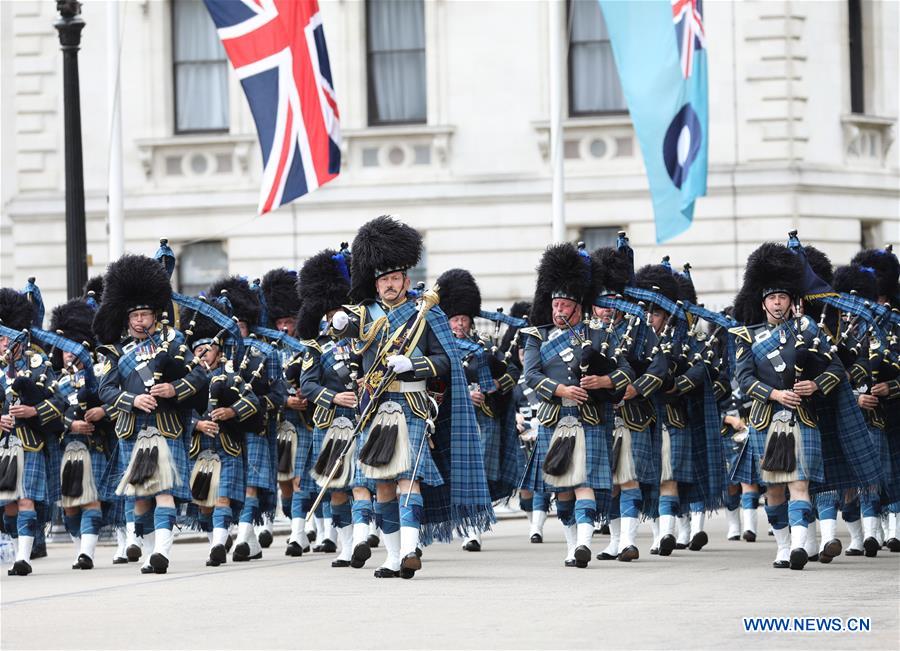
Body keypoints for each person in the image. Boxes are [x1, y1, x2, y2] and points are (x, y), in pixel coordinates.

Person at [331, 215, 493, 579]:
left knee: (409, 478)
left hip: (413, 405)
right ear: (376, 282)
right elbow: (341, 327)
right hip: (376, 408)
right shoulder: (366, 313)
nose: (389, 285)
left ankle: (409, 550)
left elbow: (445, 362)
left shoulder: (426, 311)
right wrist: (338, 323)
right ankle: (391, 556)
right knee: (382, 483)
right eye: (384, 280)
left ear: (406, 279)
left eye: (395, 279)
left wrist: (413, 364)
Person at [520, 242, 633, 568]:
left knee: (585, 484)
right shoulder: (537, 336)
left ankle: (584, 543)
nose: (558, 310)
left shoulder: (599, 336)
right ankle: (573, 546)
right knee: (563, 492)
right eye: (555, 303)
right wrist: (560, 390)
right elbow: (530, 375)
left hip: (590, 418)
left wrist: (603, 382)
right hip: (556, 417)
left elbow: (625, 371)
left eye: (565, 304)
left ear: (578, 306)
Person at [94, 254, 206, 575]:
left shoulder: (175, 343)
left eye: (145, 314)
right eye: (136, 315)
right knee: (141, 497)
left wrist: (174, 390)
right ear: (126, 319)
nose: (140, 320)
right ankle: (142, 545)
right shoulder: (118, 352)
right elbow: (106, 392)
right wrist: (132, 400)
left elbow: (198, 377)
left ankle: (161, 553)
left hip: (166, 427)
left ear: (156, 315)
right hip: (133, 429)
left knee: (164, 492)